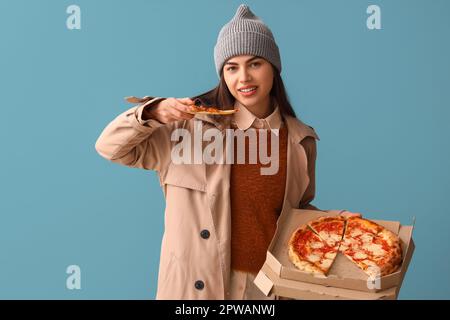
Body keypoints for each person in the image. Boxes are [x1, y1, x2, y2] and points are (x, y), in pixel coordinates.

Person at [95, 4, 360, 300]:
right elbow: (110, 147)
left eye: (255, 63)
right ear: (223, 74)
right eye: (232, 67)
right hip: (193, 291)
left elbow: (292, 214)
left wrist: (335, 220)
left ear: (274, 67)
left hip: (266, 290)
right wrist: (151, 112)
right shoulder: (187, 128)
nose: (243, 78)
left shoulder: (300, 140)